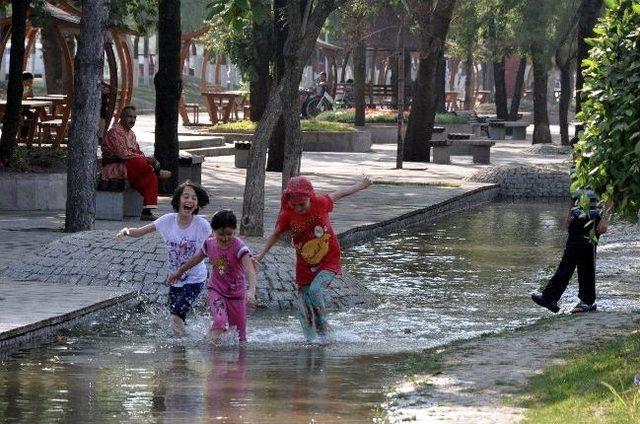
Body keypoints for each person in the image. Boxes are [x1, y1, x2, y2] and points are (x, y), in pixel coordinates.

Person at [255, 176, 372, 342]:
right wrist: (260, 255)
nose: (298, 208)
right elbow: (275, 235)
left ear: (310, 197)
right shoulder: (287, 215)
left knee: (316, 290)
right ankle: (312, 340)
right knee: (303, 304)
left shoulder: (320, 203)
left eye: (302, 204)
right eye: (294, 205)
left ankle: (324, 325)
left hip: (329, 258)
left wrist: (361, 185)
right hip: (305, 263)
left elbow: (340, 193)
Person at [116, 181, 211, 335]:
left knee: (175, 315)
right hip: (175, 279)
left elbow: (211, 249)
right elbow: (140, 231)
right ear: (178, 200)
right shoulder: (167, 220)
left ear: (197, 204)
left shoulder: (202, 225)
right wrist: (126, 231)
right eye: (185, 196)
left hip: (195, 279)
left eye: (194, 198)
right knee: (177, 318)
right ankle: (182, 351)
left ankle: (180, 348)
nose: (189, 201)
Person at [168, 210, 257, 344]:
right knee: (220, 320)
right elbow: (195, 260)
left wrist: (251, 291)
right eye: (221, 234)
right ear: (213, 231)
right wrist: (179, 272)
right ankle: (209, 352)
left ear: (235, 231)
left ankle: (235, 362)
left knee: (240, 338)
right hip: (217, 291)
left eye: (229, 234)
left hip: (237, 296)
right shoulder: (209, 244)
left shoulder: (239, 247)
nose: (225, 238)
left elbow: (250, 270)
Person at [531, 189, 609, 314]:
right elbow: (574, 192)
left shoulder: (595, 170)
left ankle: (550, 297)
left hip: (593, 217)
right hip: (577, 216)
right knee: (585, 259)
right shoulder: (575, 168)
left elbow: (610, 191)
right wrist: (569, 214)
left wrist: (605, 219)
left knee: (570, 258)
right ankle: (587, 301)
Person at [100, 105, 171, 221]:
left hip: (132, 168)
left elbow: (138, 152)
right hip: (115, 167)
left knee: (151, 176)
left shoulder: (131, 134)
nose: (132, 120)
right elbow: (123, 154)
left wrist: (147, 159)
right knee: (139, 161)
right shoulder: (114, 132)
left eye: (134, 117)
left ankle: (146, 212)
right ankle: (155, 170)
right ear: (122, 117)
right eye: (129, 117)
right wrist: (148, 161)